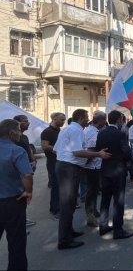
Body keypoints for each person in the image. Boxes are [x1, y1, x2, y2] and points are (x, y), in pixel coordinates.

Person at [54, 109, 111, 250]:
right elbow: (77, 152)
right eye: (86, 118)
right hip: (69, 169)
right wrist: (98, 153)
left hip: (65, 166)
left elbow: (56, 149)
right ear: (80, 118)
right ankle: (64, 240)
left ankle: (69, 231)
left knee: (71, 202)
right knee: (67, 204)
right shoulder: (76, 130)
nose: (88, 120)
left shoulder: (67, 129)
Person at [0, 119, 33, 270]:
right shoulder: (17, 150)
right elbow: (27, 175)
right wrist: (28, 191)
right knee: (16, 241)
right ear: (12, 133)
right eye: (19, 130)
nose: (21, 133)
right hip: (12, 202)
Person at [96, 110, 133, 240]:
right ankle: (118, 230)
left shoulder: (101, 133)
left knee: (105, 199)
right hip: (117, 171)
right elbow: (126, 152)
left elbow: (98, 149)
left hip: (105, 170)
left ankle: (103, 225)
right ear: (118, 120)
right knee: (118, 201)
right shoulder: (120, 134)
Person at [83, 111, 107, 227]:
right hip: (93, 166)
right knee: (92, 191)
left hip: (94, 165)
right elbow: (91, 150)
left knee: (94, 190)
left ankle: (93, 210)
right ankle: (90, 214)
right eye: (104, 119)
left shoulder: (91, 130)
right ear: (100, 120)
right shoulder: (93, 132)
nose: (105, 122)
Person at [41, 112, 66, 219]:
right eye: (61, 120)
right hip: (52, 162)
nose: (63, 122)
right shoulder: (47, 131)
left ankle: (61, 207)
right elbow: (45, 147)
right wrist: (59, 149)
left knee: (61, 186)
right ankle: (55, 210)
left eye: (64, 120)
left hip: (61, 161)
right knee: (55, 186)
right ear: (54, 118)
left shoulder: (59, 131)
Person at [13, 115, 37, 228]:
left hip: (29, 167)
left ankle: (22, 218)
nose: (28, 123)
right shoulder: (14, 139)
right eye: (25, 121)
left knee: (23, 196)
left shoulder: (25, 137)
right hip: (21, 172)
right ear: (17, 123)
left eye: (28, 121)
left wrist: (34, 160)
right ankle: (20, 220)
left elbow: (29, 150)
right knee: (21, 195)